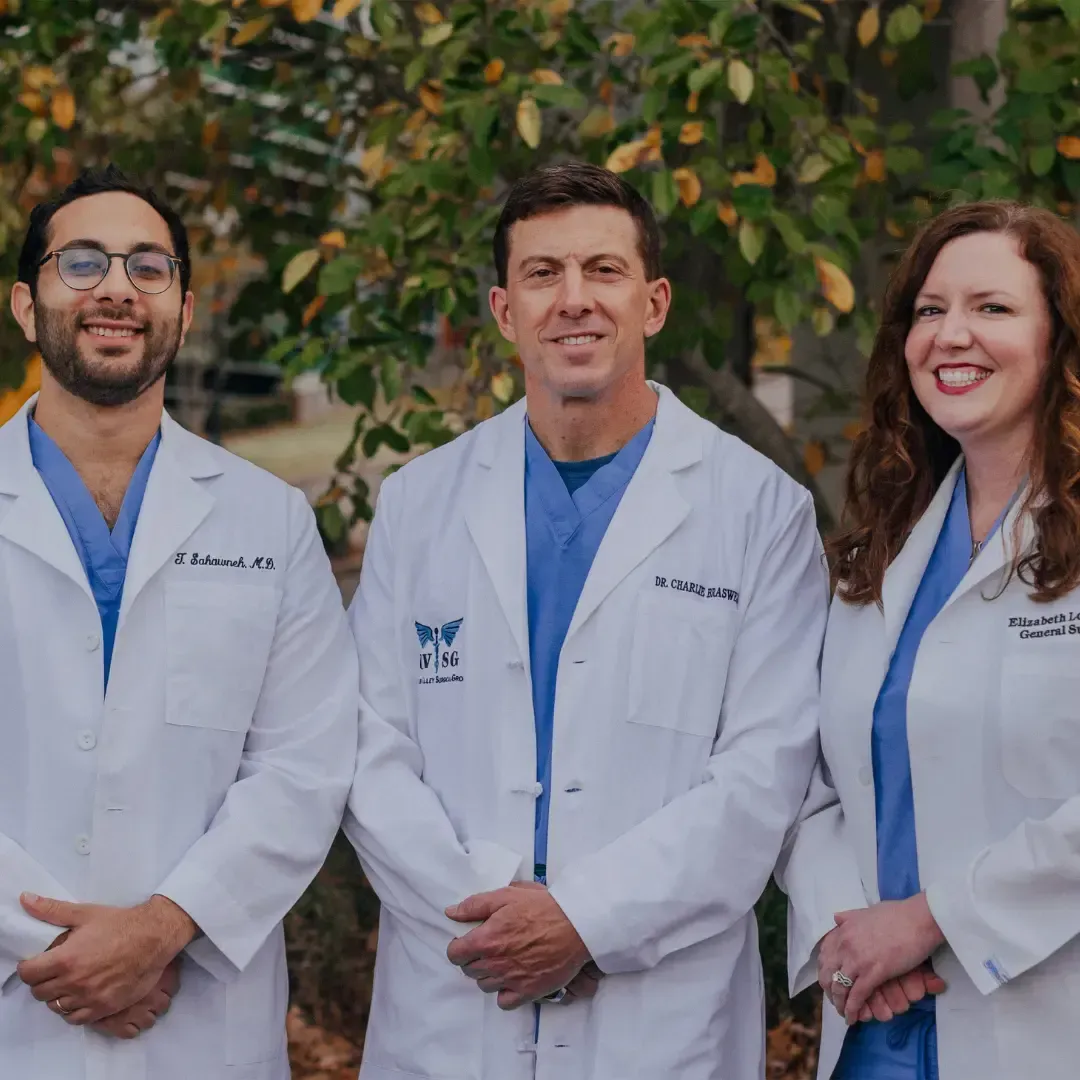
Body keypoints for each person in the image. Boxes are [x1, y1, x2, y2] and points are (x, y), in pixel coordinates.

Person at [343, 161, 828, 1079]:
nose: (574, 300)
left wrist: (584, 921)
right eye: (542, 274)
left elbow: (766, 775)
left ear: (652, 303)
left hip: (659, 1024)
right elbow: (369, 752)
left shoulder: (758, 509)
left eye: (603, 272)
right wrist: (486, 916)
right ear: (502, 311)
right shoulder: (418, 503)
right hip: (452, 1005)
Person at [0, 165, 358, 1079]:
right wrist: (43, 946)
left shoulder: (269, 519)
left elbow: (305, 763)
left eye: (148, 267)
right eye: (80, 262)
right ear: (24, 303)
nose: (117, 287)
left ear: (185, 311)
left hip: (203, 1018)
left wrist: (162, 929)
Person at [776, 201, 1080, 1080]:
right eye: (930, 310)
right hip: (880, 1018)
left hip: (1042, 1016)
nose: (952, 335)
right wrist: (851, 929)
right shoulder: (881, 550)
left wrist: (931, 920)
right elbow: (812, 777)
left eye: (992, 308)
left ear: (1059, 336)